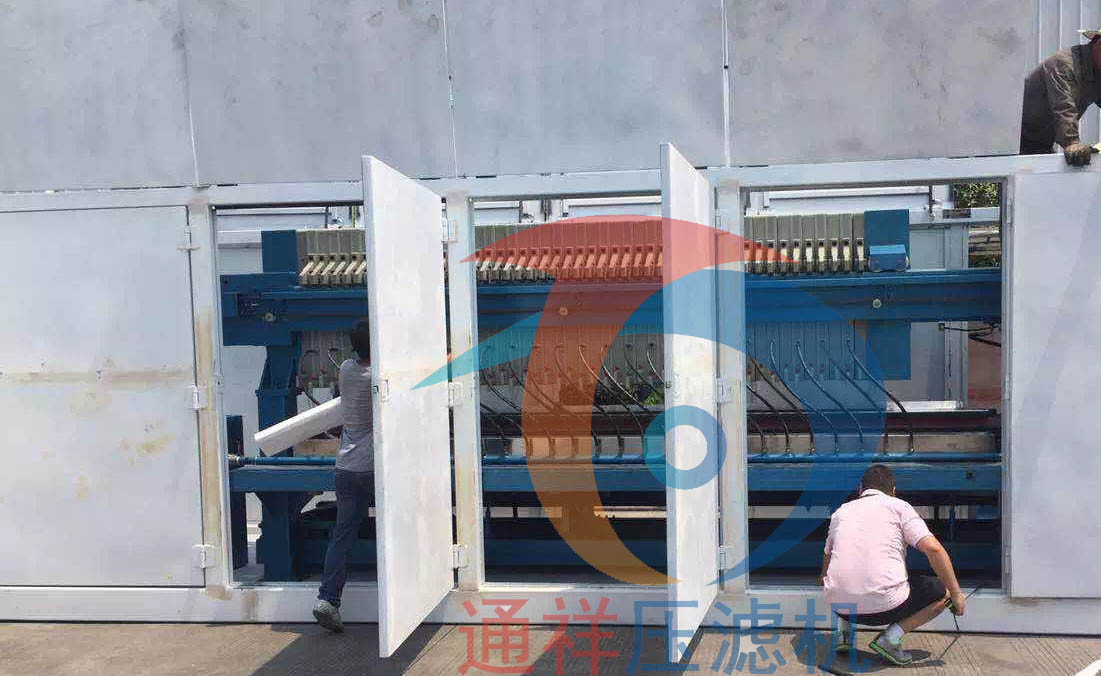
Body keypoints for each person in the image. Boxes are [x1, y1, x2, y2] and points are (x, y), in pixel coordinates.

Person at [820, 464, 964, 666]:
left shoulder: (841, 512)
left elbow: (827, 562)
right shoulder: (899, 507)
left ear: (861, 490)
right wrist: (956, 594)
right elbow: (934, 549)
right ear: (893, 491)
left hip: (840, 607)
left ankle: (843, 634)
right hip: (885, 609)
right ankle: (890, 639)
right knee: (943, 594)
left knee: (843, 573)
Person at [313, 318, 375, 633]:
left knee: (342, 536)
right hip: (373, 469)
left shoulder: (347, 370)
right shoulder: (377, 376)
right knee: (402, 529)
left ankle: (328, 599)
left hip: (346, 467)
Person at [1020, 29, 1101, 165]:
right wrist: (1072, 143)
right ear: (1099, 45)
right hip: (1013, 141)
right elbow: (1063, 106)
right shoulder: (1064, 64)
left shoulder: (1098, 71)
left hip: (1041, 143)